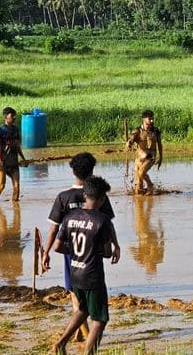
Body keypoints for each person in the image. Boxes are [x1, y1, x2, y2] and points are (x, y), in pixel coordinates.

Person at [42, 152, 116, 343]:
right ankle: (84, 332)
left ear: (73, 170)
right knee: (97, 316)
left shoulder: (63, 197)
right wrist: (114, 245)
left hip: (72, 252)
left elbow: (54, 229)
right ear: (92, 171)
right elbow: (108, 225)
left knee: (77, 296)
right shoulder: (99, 194)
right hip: (92, 255)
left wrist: (45, 252)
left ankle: (78, 332)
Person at [51, 176, 120, 355]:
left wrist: (75, 251)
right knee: (99, 320)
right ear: (102, 199)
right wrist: (107, 249)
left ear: (85, 196)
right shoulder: (102, 221)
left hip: (75, 272)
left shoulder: (70, 217)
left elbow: (57, 247)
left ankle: (60, 344)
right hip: (92, 276)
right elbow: (106, 253)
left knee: (83, 309)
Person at [0, 107, 28, 202]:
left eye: (14, 116)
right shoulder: (0, 130)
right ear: (5, 117)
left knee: (16, 186)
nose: (14, 118)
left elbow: (17, 146)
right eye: (12, 116)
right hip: (2, 162)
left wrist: (23, 158)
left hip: (13, 162)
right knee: (1, 186)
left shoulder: (16, 129)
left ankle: (16, 210)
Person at [126, 110, 163, 194]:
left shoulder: (155, 131)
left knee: (142, 172)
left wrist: (161, 157)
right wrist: (129, 143)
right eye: (150, 119)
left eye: (153, 118)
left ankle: (150, 185)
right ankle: (140, 203)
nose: (152, 121)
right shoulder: (137, 131)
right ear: (144, 119)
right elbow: (131, 140)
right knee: (138, 187)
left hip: (150, 156)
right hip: (140, 157)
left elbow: (160, 144)